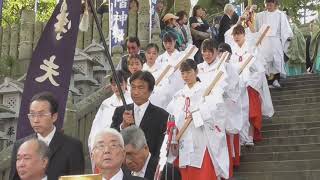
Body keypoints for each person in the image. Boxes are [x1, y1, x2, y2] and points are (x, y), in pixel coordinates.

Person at [167, 59, 230, 180]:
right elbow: (171, 116)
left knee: (203, 171)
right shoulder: (179, 95)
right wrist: (173, 130)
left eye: (188, 72)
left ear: (196, 71)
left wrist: (199, 113)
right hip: (184, 138)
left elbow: (217, 110)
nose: (185, 76)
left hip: (201, 136)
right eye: (183, 73)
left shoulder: (207, 91)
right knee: (186, 171)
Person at [10, 92, 85, 180]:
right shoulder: (20, 145)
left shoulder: (72, 146)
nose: (35, 120)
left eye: (41, 115)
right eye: (32, 115)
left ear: (54, 117)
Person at [111, 71, 169, 159]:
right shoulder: (120, 111)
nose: (136, 92)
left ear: (150, 90)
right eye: (133, 87)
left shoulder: (162, 116)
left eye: (140, 88)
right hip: (124, 166)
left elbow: (161, 150)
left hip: (149, 168)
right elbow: (112, 139)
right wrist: (122, 127)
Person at [88, 70, 132, 152]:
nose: (116, 87)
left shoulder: (132, 101)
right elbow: (97, 125)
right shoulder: (106, 103)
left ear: (126, 83)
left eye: (120, 84)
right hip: (105, 145)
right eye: (114, 85)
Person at [255, 0, 293, 87]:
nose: (268, 6)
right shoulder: (261, 15)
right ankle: (268, 81)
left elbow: (285, 28)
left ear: (275, 4)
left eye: (270, 4)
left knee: (277, 60)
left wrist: (287, 36)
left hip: (276, 40)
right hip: (265, 40)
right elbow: (257, 27)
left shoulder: (280, 15)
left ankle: (276, 80)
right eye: (267, 4)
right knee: (266, 61)